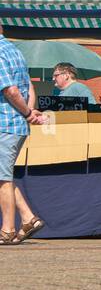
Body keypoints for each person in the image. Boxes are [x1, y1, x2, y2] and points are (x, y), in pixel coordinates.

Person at [0, 28, 47, 244]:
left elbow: (11, 90)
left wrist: (28, 113)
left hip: (5, 123)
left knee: (3, 179)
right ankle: (28, 218)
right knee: (3, 175)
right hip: (16, 124)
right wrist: (28, 113)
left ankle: (7, 229)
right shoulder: (15, 50)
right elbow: (29, 85)